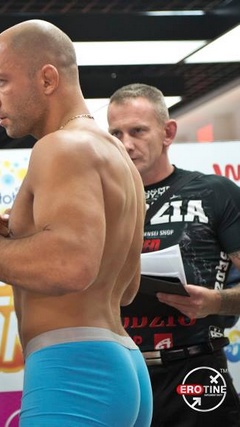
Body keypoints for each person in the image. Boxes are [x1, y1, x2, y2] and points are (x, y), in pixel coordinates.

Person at [0, 19, 152, 426]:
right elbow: (126, 289)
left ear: (48, 79)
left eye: (0, 82)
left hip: (74, 369)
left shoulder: (61, 147)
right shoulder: (115, 155)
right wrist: (14, 244)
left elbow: (70, 267)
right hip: (119, 361)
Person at [107, 83, 240, 426]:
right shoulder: (96, 205)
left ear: (167, 133)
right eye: (116, 133)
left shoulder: (215, 193)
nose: (125, 144)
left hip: (195, 372)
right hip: (120, 373)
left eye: (137, 131)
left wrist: (215, 302)